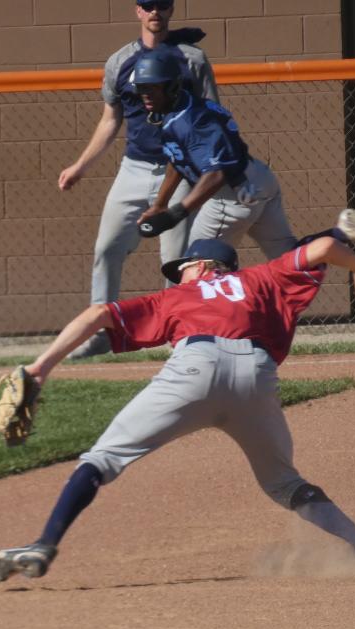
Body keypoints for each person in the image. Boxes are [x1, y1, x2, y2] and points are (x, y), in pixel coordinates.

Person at [0, 227, 355, 583]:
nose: (178, 277)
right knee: (285, 484)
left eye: (181, 269)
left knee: (102, 458)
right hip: (256, 375)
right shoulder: (264, 278)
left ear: (201, 267)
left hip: (194, 371)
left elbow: (97, 314)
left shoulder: (176, 298)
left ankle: (44, 544)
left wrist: (39, 368)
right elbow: (323, 248)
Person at [60, 0, 219, 360]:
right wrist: (80, 166)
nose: (155, 11)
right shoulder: (119, 61)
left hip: (179, 171)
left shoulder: (192, 59)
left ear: (171, 9)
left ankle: (176, 334)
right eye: (147, 5)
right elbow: (110, 120)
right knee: (106, 250)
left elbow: (212, 113)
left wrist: (207, 171)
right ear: (137, 10)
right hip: (133, 168)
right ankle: (100, 332)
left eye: (161, 4)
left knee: (175, 259)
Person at [132, 49, 355, 256]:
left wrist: (177, 213)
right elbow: (177, 159)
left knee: (197, 266)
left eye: (151, 87)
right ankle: (342, 233)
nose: (145, 95)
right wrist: (159, 205)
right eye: (141, 88)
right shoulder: (176, 111)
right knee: (289, 257)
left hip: (233, 193)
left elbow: (216, 174)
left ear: (172, 86)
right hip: (256, 179)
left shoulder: (192, 119)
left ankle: (221, 326)